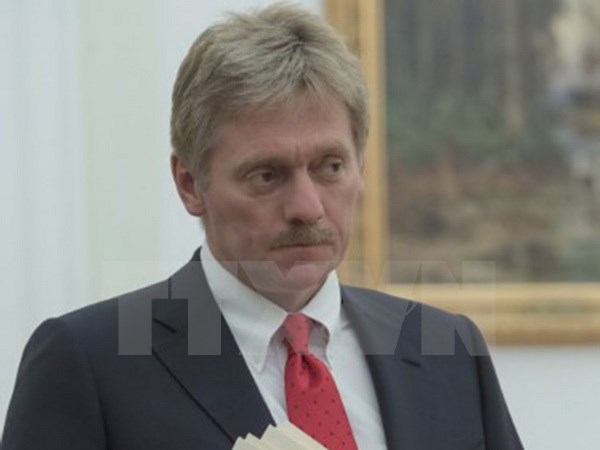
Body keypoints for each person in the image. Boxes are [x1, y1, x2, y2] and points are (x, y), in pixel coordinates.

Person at [2, 3, 523, 449]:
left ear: (361, 168)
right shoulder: (90, 362)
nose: (307, 207)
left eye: (330, 167)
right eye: (267, 175)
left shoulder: (447, 348)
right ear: (190, 184)